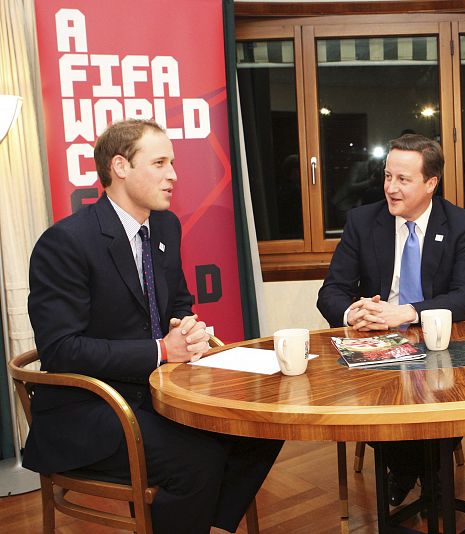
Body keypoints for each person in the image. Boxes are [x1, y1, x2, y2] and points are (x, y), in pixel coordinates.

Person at [25, 119, 283, 534]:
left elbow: (177, 304)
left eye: (173, 163)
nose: (174, 175)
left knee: (264, 428)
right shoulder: (66, 244)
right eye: (160, 162)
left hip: (159, 393)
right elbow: (61, 350)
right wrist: (163, 350)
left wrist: (188, 329)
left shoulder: (165, 226)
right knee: (199, 461)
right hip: (90, 409)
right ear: (120, 166)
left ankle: (204, 522)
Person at [317, 133, 465, 507]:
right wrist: (353, 312)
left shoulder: (461, 225)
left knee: (454, 395)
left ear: (431, 184)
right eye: (388, 176)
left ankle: (410, 471)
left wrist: (408, 312)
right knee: (372, 404)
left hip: (436, 345)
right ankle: (424, 472)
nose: (391, 188)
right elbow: (330, 293)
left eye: (403, 179)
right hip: (377, 349)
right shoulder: (363, 221)